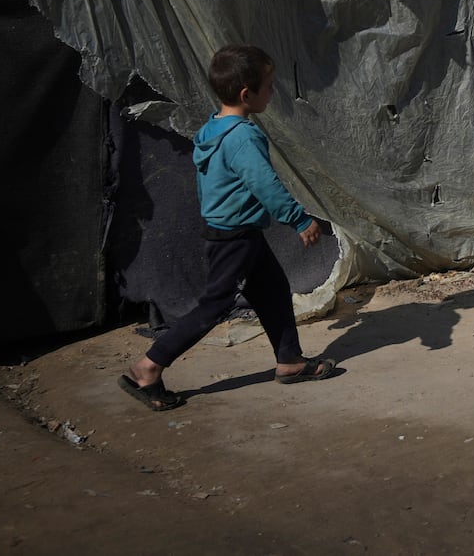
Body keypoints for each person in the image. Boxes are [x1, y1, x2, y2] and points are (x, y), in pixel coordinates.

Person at [119, 45, 336, 411]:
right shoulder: (242, 137)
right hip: (235, 236)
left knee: (273, 289)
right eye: (269, 86)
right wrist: (299, 219)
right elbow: (265, 185)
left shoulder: (212, 129)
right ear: (245, 94)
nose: (273, 92)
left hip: (235, 231)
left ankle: (290, 361)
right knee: (214, 305)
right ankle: (149, 366)